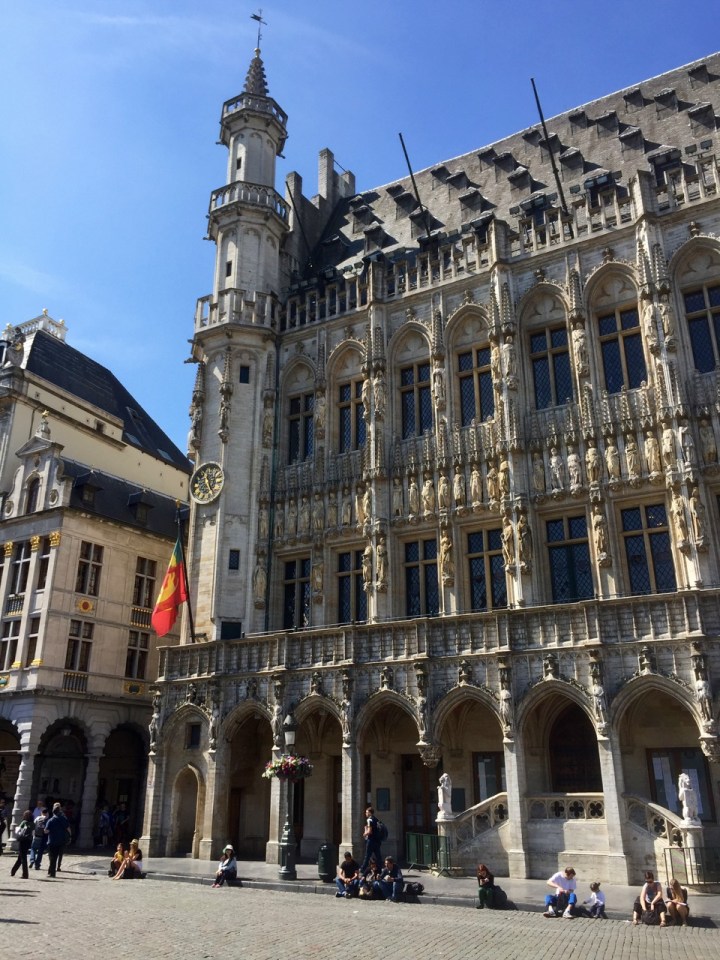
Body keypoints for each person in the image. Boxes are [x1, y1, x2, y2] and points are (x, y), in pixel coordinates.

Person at [44, 802, 70, 878]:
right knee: (57, 856)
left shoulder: (51, 820)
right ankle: (53, 870)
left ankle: (52, 873)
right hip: (61, 840)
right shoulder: (63, 818)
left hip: (52, 841)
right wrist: (69, 836)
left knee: (52, 857)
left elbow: (46, 831)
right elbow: (68, 828)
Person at [359, 805, 382, 874]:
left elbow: (370, 831)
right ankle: (380, 869)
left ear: (369, 813)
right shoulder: (376, 819)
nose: (365, 814)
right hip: (377, 840)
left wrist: (365, 834)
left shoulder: (369, 819)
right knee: (378, 856)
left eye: (366, 812)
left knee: (367, 856)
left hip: (371, 840)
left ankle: (362, 869)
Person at [10, 809, 34, 878]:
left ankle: (25, 874)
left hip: (23, 841)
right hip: (29, 841)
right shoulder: (33, 824)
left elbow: (18, 831)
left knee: (23, 858)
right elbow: (33, 833)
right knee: (21, 857)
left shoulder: (24, 822)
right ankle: (13, 871)